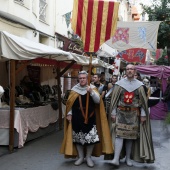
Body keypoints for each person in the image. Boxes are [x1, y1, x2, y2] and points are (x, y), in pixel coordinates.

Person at [60, 71, 113, 167]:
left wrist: (91, 92)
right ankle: (81, 157)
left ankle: (88, 157)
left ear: (88, 79)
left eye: (84, 78)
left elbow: (98, 101)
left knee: (91, 138)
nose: (82, 80)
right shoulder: (74, 89)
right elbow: (70, 104)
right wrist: (69, 113)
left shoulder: (92, 88)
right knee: (78, 137)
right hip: (77, 116)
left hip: (90, 116)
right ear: (78, 79)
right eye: (80, 78)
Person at [109, 64, 155, 167]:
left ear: (135, 71)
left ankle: (128, 158)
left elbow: (143, 102)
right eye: (128, 69)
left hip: (134, 114)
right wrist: (113, 113)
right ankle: (116, 159)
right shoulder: (119, 84)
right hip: (120, 113)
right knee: (119, 135)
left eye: (132, 69)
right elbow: (114, 100)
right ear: (125, 71)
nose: (129, 71)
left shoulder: (140, 85)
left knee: (130, 137)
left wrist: (143, 115)